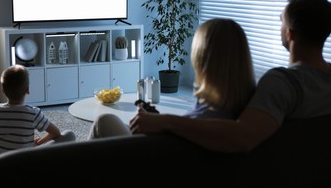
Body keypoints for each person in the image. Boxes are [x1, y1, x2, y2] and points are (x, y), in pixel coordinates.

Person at [128, 0, 331, 153]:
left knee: (104, 124)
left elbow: (243, 136)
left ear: (290, 33)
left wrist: (165, 121)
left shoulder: (282, 83)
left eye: (281, 21)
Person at [88, 18, 256, 139]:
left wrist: (160, 125)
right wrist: (157, 120)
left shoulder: (209, 122)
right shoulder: (245, 107)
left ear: (201, 59)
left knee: (104, 121)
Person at [0, 64, 75, 157]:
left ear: (3, 90)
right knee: (69, 135)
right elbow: (56, 133)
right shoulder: (33, 113)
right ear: (27, 90)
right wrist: (38, 143)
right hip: (26, 164)